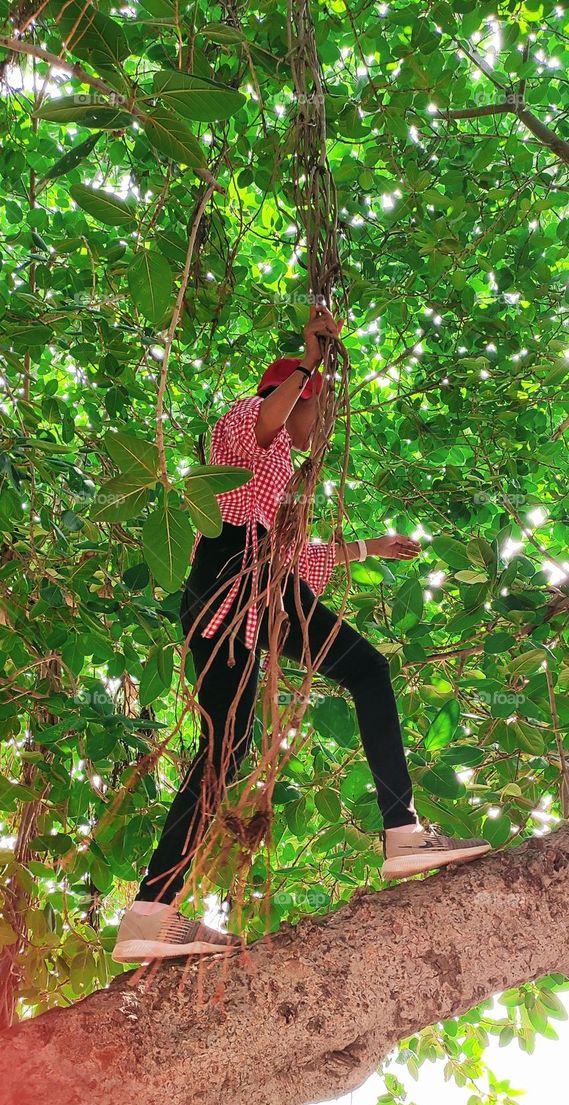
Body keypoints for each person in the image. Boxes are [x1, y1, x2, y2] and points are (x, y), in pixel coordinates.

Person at [113, 304, 490, 963]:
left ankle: (150, 911)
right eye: (321, 409)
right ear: (298, 394)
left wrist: (368, 547)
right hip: (238, 582)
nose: (325, 426)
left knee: (225, 751)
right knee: (367, 670)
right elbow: (262, 424)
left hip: (233, 599)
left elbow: (292, 557)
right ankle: (402, 831)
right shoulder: (247, 427)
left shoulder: (274, 478)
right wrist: (309, 359)